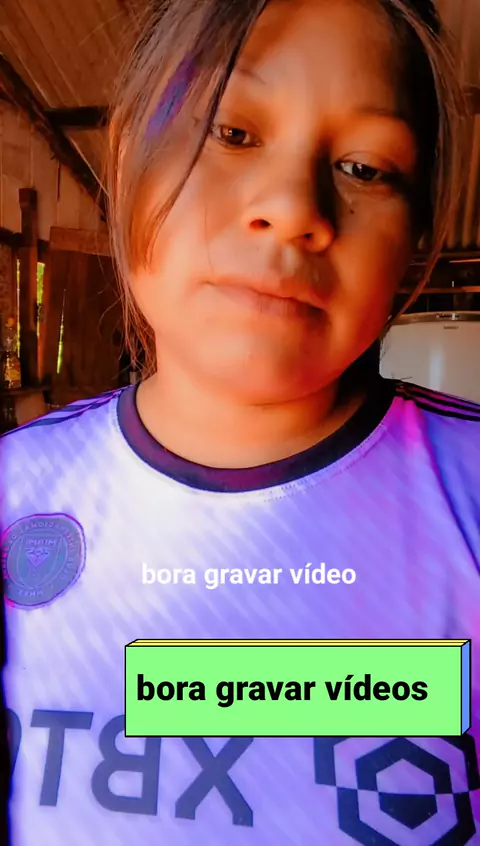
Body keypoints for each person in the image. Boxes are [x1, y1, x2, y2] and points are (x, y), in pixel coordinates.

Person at [2, 0, 479, 843]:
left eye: (366, 167)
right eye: (230, 131)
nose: (292, 208)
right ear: (128, 158)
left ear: (414, 235)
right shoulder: (15, 494)